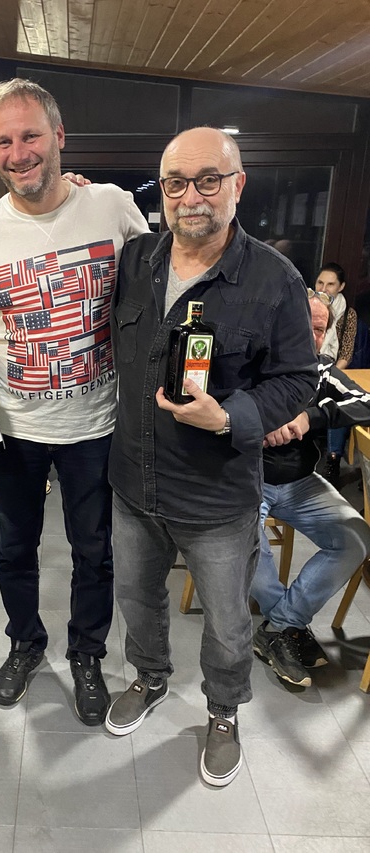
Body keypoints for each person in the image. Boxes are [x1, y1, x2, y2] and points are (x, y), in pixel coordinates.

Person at [105, 127, 318, 786]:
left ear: (238, 185)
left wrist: (229, 417)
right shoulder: (136, 260)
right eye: (176, 182)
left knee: (227, 624)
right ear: (162, 190)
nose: (190, 196)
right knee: (136, 599)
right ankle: (150, 677)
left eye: (208, 180)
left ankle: (223, 711)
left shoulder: (274, 279)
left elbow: (297, 379)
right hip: (133, 483)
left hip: (217, 498)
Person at [0, 78, 149, 726]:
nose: (18, 152)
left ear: (59, 136)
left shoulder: (113, 208)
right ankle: (26, 643)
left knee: (94, 551)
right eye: (3, 141)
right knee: (15, 549)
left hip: (97, 424)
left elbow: (154, 290)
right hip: (11, 428)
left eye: (30, 135)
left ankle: (86, 654)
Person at [252, 289, 370, 686]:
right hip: (246, 481)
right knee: (242, 547)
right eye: (305, 325)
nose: (312, 336)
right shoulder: (251, 364)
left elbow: (366, 402)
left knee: (356, 538)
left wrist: (311, 417)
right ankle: (287, 628)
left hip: (301, 481)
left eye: (319, 329)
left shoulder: (321, 369)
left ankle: (279, 626)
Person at [314, 263, 357, 486]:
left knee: (338, 399)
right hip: (306, 363)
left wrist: (329, 374)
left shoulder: (348, 314)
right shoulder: (307, 306)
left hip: (332, 366)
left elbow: (346, 354)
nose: (324, 289)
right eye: (320, 282)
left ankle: (333, 460)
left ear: (341, 287)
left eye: (330, 284)